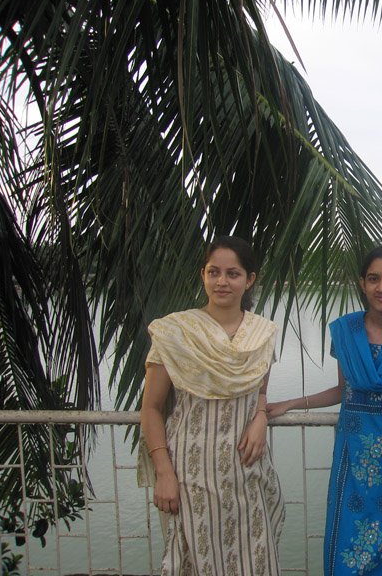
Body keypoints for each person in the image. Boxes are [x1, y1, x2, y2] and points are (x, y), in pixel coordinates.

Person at [267, 245, 382, 575]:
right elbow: (343, 391)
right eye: (374, 279)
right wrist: (292, 403)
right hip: (352, 469)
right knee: (347, 556)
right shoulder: (346, 333)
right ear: (362, 283)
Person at [138, 235, 285, 575]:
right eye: (213, 272)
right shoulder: (175, 332)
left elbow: (259, 393)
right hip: (190, 474)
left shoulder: (261, 335)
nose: (222, 281)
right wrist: (163, 472)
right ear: (202, 275)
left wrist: (261, 416)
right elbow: (151, 408)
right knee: (193, 560)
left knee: (254, 560)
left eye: (233, 273)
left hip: (247, 472)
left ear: (249, 280)